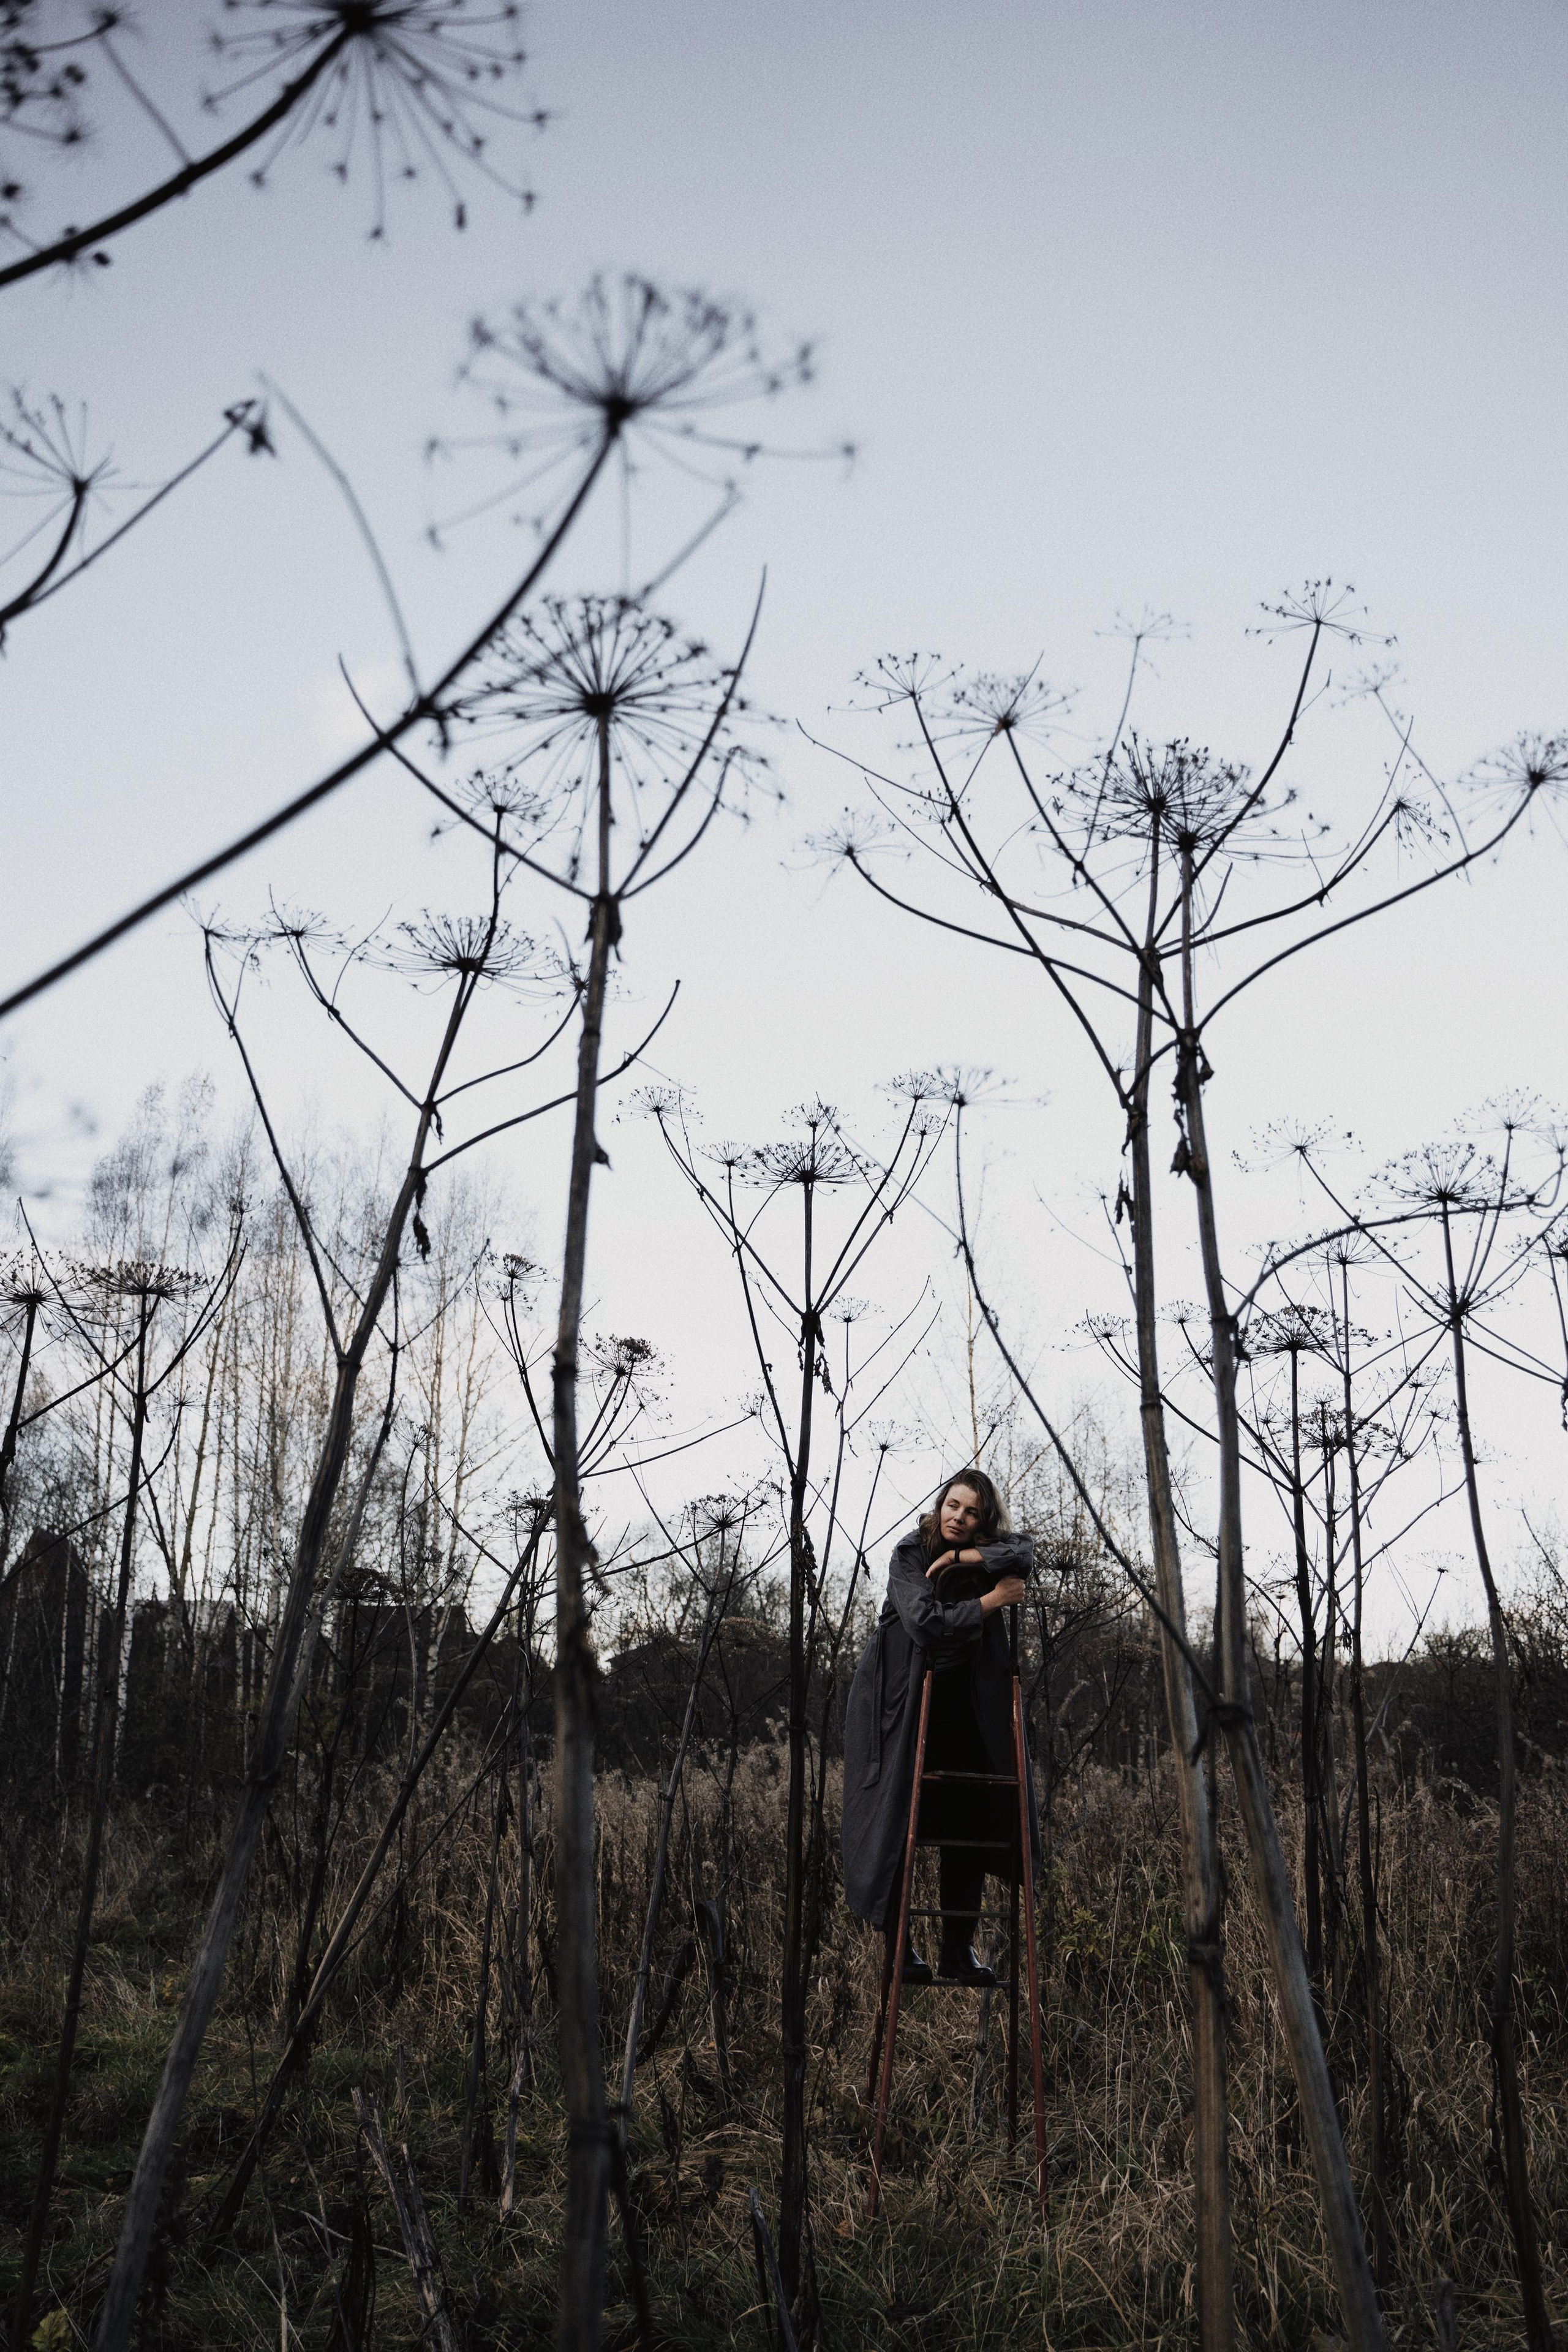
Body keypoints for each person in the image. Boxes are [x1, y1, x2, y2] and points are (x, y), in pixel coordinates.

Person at [841, 1469, 1039, 1985]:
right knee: (897, 1819)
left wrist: (961, 1559)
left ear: (983, 1520)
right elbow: (926, 1622)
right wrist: (992, 1600)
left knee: (969, 1821)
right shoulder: (910, 1553)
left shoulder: (977, 1550)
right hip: (901, 1704)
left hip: (964, 1705)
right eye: (954, 1505)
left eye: (973, 1512)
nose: (959, 1517)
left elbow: (1024, 1554)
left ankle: (958, 1949)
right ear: (941, 1504)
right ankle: (899, 1950)